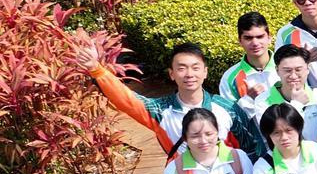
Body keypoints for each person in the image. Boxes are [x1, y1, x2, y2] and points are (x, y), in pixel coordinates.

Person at [78, 41, 253, 158]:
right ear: (172, 74)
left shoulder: (227, 108)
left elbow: (251, 148)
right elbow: (127, 99)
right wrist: (97, 71)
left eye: (195, 68)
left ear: (205, 72)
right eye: (182, 68)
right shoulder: (161, 111)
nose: (189, 74)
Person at [245, 45, 317, 149]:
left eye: (298, 70)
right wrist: (296, 105)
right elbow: (278, 136)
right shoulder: (263, 101)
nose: (293, 76)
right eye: (287, 70)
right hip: (283, 162)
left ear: (307, 69)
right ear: (277, 70)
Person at [220, 12, 278, 102]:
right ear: (240, 41)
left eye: (260, 37)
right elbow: (229, 114)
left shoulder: (289, 67)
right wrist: (249, 100)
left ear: (269, 38)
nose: (255, 43)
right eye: (248, 38)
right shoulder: (229, 78)